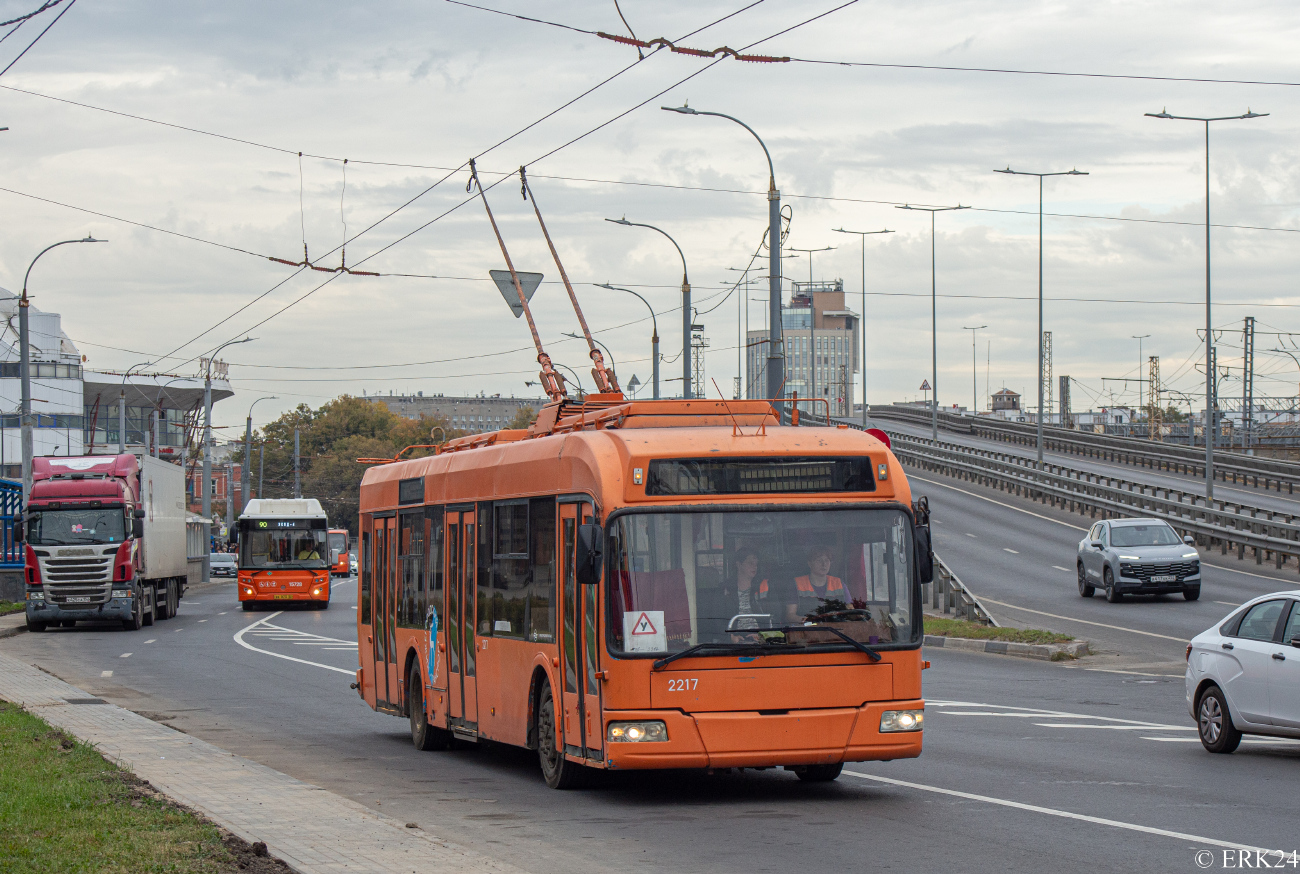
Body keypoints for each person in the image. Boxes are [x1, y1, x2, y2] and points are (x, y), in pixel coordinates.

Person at [789, 545, 847, 622]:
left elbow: (850, 610)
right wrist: (806, 621)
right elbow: (790, 615)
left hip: (836, 631)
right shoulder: (797, 584)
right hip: (808, 631)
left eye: (827, 560)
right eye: (819, 560)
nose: (824, 564)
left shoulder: (839, 583)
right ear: (809, 564)